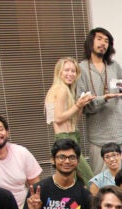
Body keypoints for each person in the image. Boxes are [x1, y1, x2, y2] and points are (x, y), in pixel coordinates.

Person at [77, 27, 122, 171]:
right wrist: (104, 98)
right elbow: (83, 106)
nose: (103, 43)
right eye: (99, 39)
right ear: (90, 42)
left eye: (107, 41)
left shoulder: (114, 66)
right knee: (101, 182)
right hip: (99, 136)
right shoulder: (81, 68)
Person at [44, 56, 95, 184]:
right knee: (90, 178)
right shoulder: (61, 90)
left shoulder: (57, 89)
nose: (70, 74)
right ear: (59, 72)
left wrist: (80, 105)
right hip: (66, 137)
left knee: (75, 180)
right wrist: (78, 105)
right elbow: (58, 118)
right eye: (67, 70)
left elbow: (70, 119)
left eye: (73, 71)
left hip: (67, 136)